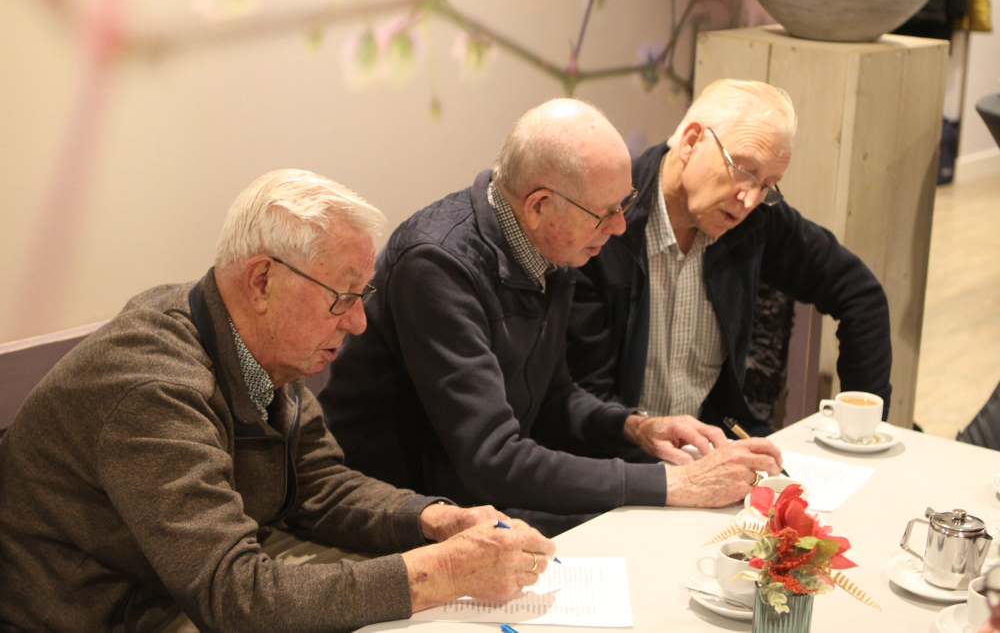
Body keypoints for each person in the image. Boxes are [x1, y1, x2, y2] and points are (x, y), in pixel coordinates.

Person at [0, 169, 555, 633]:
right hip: (102, 616)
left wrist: (437, 520)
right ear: (263, 281)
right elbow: (236, 598)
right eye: (342, 298)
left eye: (361, 296)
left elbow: (318, 484)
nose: (358, 322)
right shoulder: (153, 390)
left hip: (176, 591)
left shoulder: (254, 342)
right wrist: (444, 573)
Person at [320, 99, 783, 537]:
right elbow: (492, 459)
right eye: (605, 213)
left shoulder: (552, 246)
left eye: (624, 205)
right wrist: (673, 483)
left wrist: (637, 427)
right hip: (397, 507)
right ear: (540, 206)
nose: (620, 226)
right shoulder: (438, 266)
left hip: (474, 493)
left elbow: (554, 399)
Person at [566, 80, 893, 436]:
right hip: (620, 450)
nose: (750, 199)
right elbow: (586, 400)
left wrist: (862, 433)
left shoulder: (753, 221)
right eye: (744, 170)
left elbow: (860, 293)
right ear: (691, 141)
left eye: (767, 185)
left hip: (718, 439)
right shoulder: (606, 225)